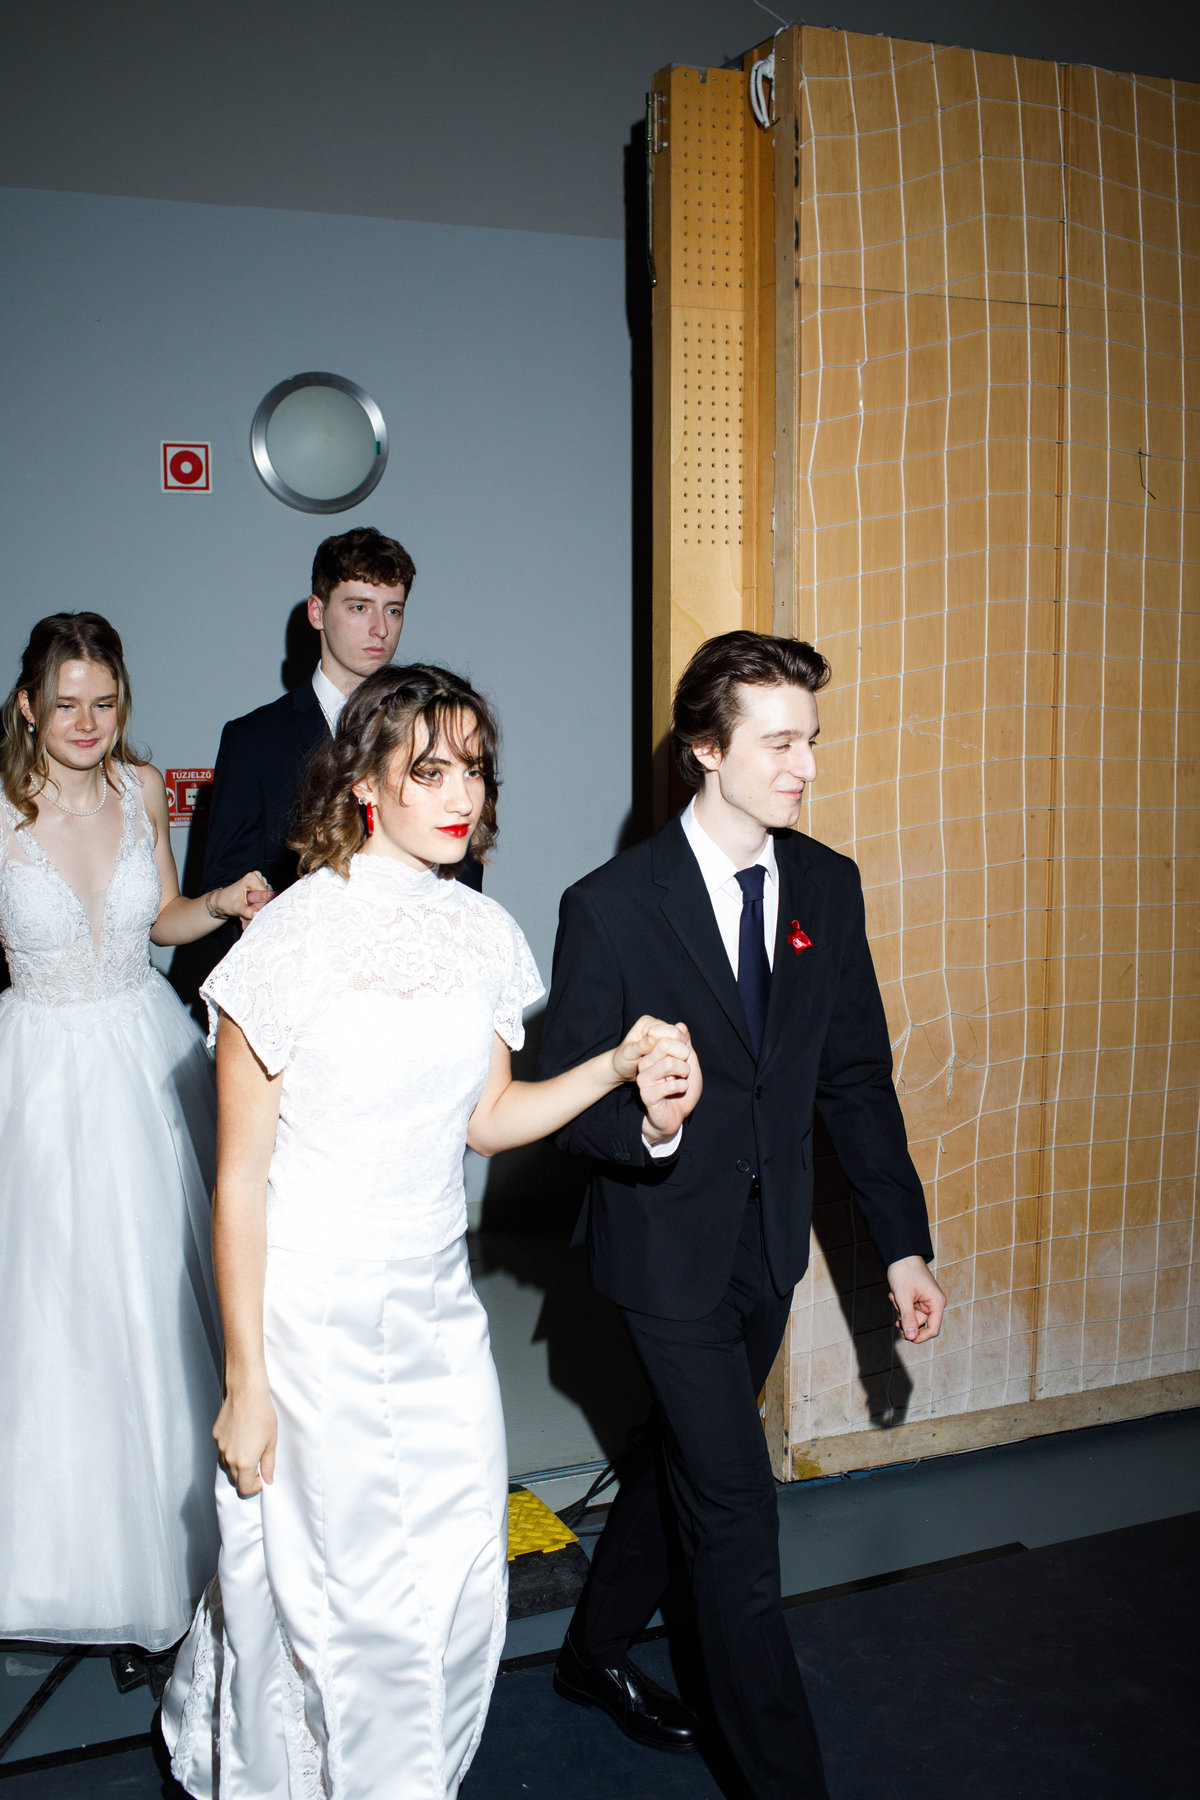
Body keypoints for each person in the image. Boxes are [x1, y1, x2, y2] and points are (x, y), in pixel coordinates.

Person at [161, 663, 696, 1800]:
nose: (463, 797)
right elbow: (239, 1183)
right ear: (365, 783)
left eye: (476, 772)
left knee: (455, 1581)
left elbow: (488, 1121)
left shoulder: (483, 932)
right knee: (343, 1607)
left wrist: (611, 1066)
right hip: (313, 1320)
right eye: (433, 771)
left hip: (438, 1313)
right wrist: (246, 1382)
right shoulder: (286, 942)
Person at [537, 630, 946, 1799]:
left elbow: (854, 1080)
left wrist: (902, 1246)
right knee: (735, 1512)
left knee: (682, 1458)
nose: (805, 766)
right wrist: (651, 1123)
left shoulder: (827, 885)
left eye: (810, 739)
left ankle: (591, 1652)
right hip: (661, 1252)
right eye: (778, 743)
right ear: (706, 751)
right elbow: (564, 1104)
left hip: (766, 1252)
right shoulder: (612, 906)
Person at [0, 612, 267, 1658]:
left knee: (156, 1298)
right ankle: (54, 1552)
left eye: (104, 702)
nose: (86, 721)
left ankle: (169, 1533)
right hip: (38, 1069)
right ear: (29, 707)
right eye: (66, 702)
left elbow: (160, 919)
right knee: (52, 1307)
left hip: (143, 1056)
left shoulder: (142, 787)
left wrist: (222, 901)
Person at [203, 526, 482, 908]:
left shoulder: (436, 729)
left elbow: (463, 877)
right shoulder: (254, 740)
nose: (380, 629)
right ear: (317, 612)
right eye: (359, 607)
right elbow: (225, 893)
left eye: (393, 610)